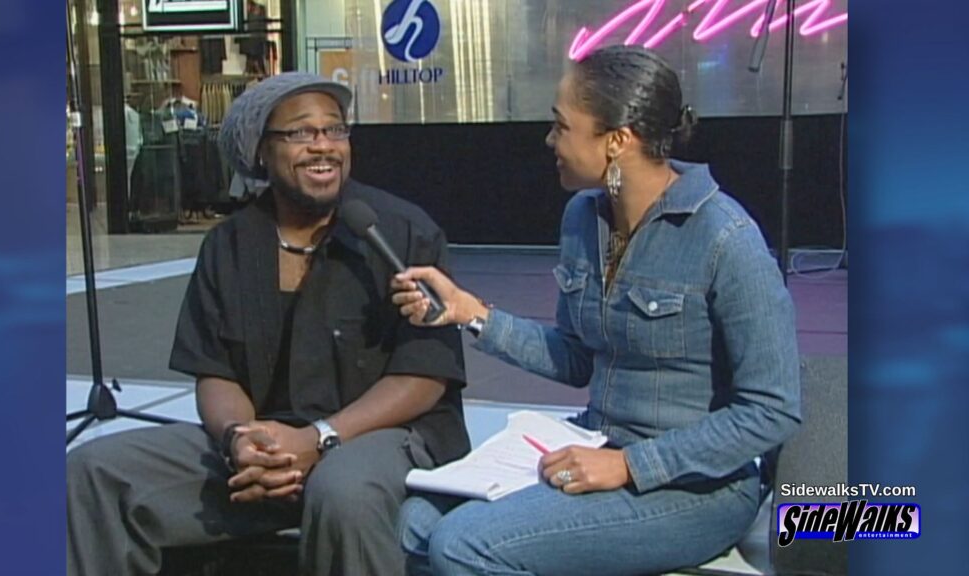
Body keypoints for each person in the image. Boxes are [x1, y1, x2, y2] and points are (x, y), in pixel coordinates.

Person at [390, 46, 802, 576]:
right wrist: (471, 313)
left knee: (463, 546)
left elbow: (772, 410)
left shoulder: (726, 239)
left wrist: (631, 465)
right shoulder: (583, 218)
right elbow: (579, 359)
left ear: (616, 141)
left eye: (561, 126)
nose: (549, 140)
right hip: (594, 444)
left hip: (697, 487)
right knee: (416, 523)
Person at [66, 72, 471, 576]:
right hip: (269, 445)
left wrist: (319, 438)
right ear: (260, 150)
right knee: (92, 471)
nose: (323, 146)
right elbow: (216, 372)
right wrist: (241, 439)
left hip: (381, 439)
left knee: (342, 489)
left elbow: (424, 376)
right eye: (301, 133)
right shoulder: (230, 245)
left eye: (335, 130)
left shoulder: (400, 232)